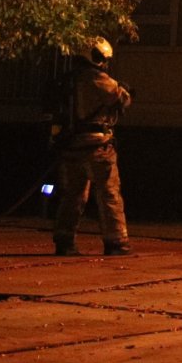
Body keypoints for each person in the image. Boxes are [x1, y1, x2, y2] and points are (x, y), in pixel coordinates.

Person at [47, 37, 134, 256]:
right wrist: (125, 90)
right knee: (109, 193)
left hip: (71, 147)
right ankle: (117, 242)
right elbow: (122, 99)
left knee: (73, 194)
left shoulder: (67, 81)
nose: (104, 63)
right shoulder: (98, 78)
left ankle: (64, 240)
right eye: (102, 59)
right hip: (98, 146)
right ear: (94, 56)